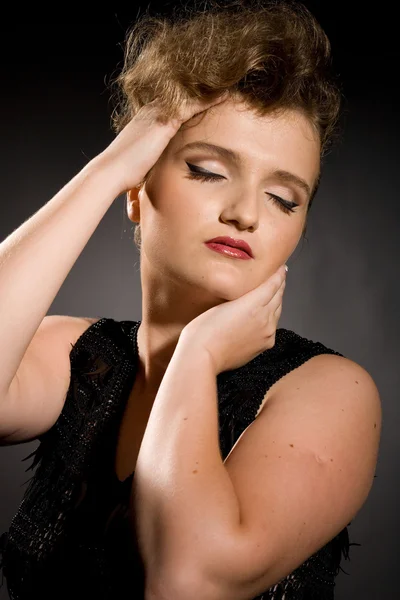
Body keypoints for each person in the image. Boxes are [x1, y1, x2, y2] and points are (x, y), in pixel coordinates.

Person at [0, 0, 381, 598]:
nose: (247, 214)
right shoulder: (80, 356)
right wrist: (106, 173)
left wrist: (196, 358)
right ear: (139, 186)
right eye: (207, 169)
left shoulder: (332, 393)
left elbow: (185, 579)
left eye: (285, 198)